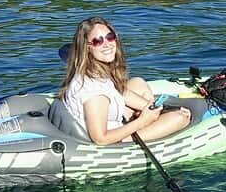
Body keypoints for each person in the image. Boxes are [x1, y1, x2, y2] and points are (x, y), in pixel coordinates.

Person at [59, 17, 191, 145]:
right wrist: (143, 121)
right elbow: (101, 139)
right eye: (97, 41)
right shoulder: (94, 91)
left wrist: (158, 109)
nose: (107, 45)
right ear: (87, 47)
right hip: (113, 138)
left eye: (110, 37)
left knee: (137, 83)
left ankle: (149, 118)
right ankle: (141, 131)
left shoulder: (93, 69)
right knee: (181, 118)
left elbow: (118, 91)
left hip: (112, 120)